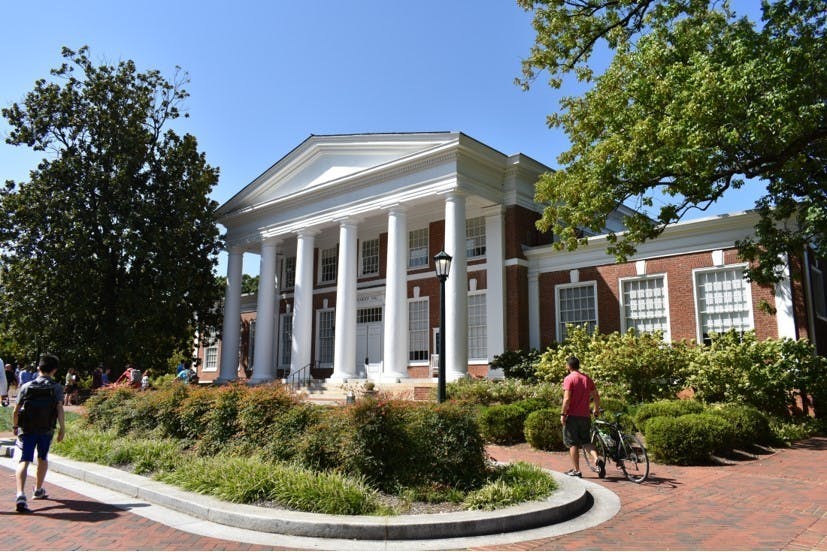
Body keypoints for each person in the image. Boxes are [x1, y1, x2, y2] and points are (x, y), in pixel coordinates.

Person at [12, 353, 66, 513]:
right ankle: (38, 489)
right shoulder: (56, 388)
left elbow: (16, 410)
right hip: (46, 429)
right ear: (54, 370)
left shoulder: (26, 386)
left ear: (38, 368)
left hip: (27, 429)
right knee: (43, 458)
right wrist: (62, 428)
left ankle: (20, 494)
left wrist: (15, 426)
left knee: (24, 460)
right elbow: (59, 408)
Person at [560, 356, 604, 478]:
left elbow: (567, 399)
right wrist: (596, 409)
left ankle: (577, 470)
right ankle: (596, 459)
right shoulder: (587, 378)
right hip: (585, 416)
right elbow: (596, 395)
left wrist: (563, 414)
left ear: (568, 366)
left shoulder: (569, 379)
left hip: (572, 416)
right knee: (586, 441)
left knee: (572, 443)